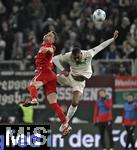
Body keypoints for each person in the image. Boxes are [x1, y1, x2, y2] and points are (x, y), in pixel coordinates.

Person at [53, 30, 119, 132]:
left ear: (81, 53)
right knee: (50, 77)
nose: (77, 60)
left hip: (79, 83)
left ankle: (65, 123)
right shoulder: (69, 55)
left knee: (75, 102)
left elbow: (101, 46)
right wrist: (63, 70)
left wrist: (113, 39)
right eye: (75, 58)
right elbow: (55, 59)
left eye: (78, 57)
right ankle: (37, 83)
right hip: (70, 77)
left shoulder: (88, 54)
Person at [22, 31, 71, 137]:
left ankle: (34, 100)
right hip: (51, 75)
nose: (48, 35)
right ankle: (65, 124)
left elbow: (51, 50)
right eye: (48, 34)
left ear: (52, 40)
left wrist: (47, 49)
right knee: (53, 103)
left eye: (51, 36)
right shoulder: (42, 46)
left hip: (45, 72)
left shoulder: (49, 46)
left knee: (32, 86)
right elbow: (46, 58)